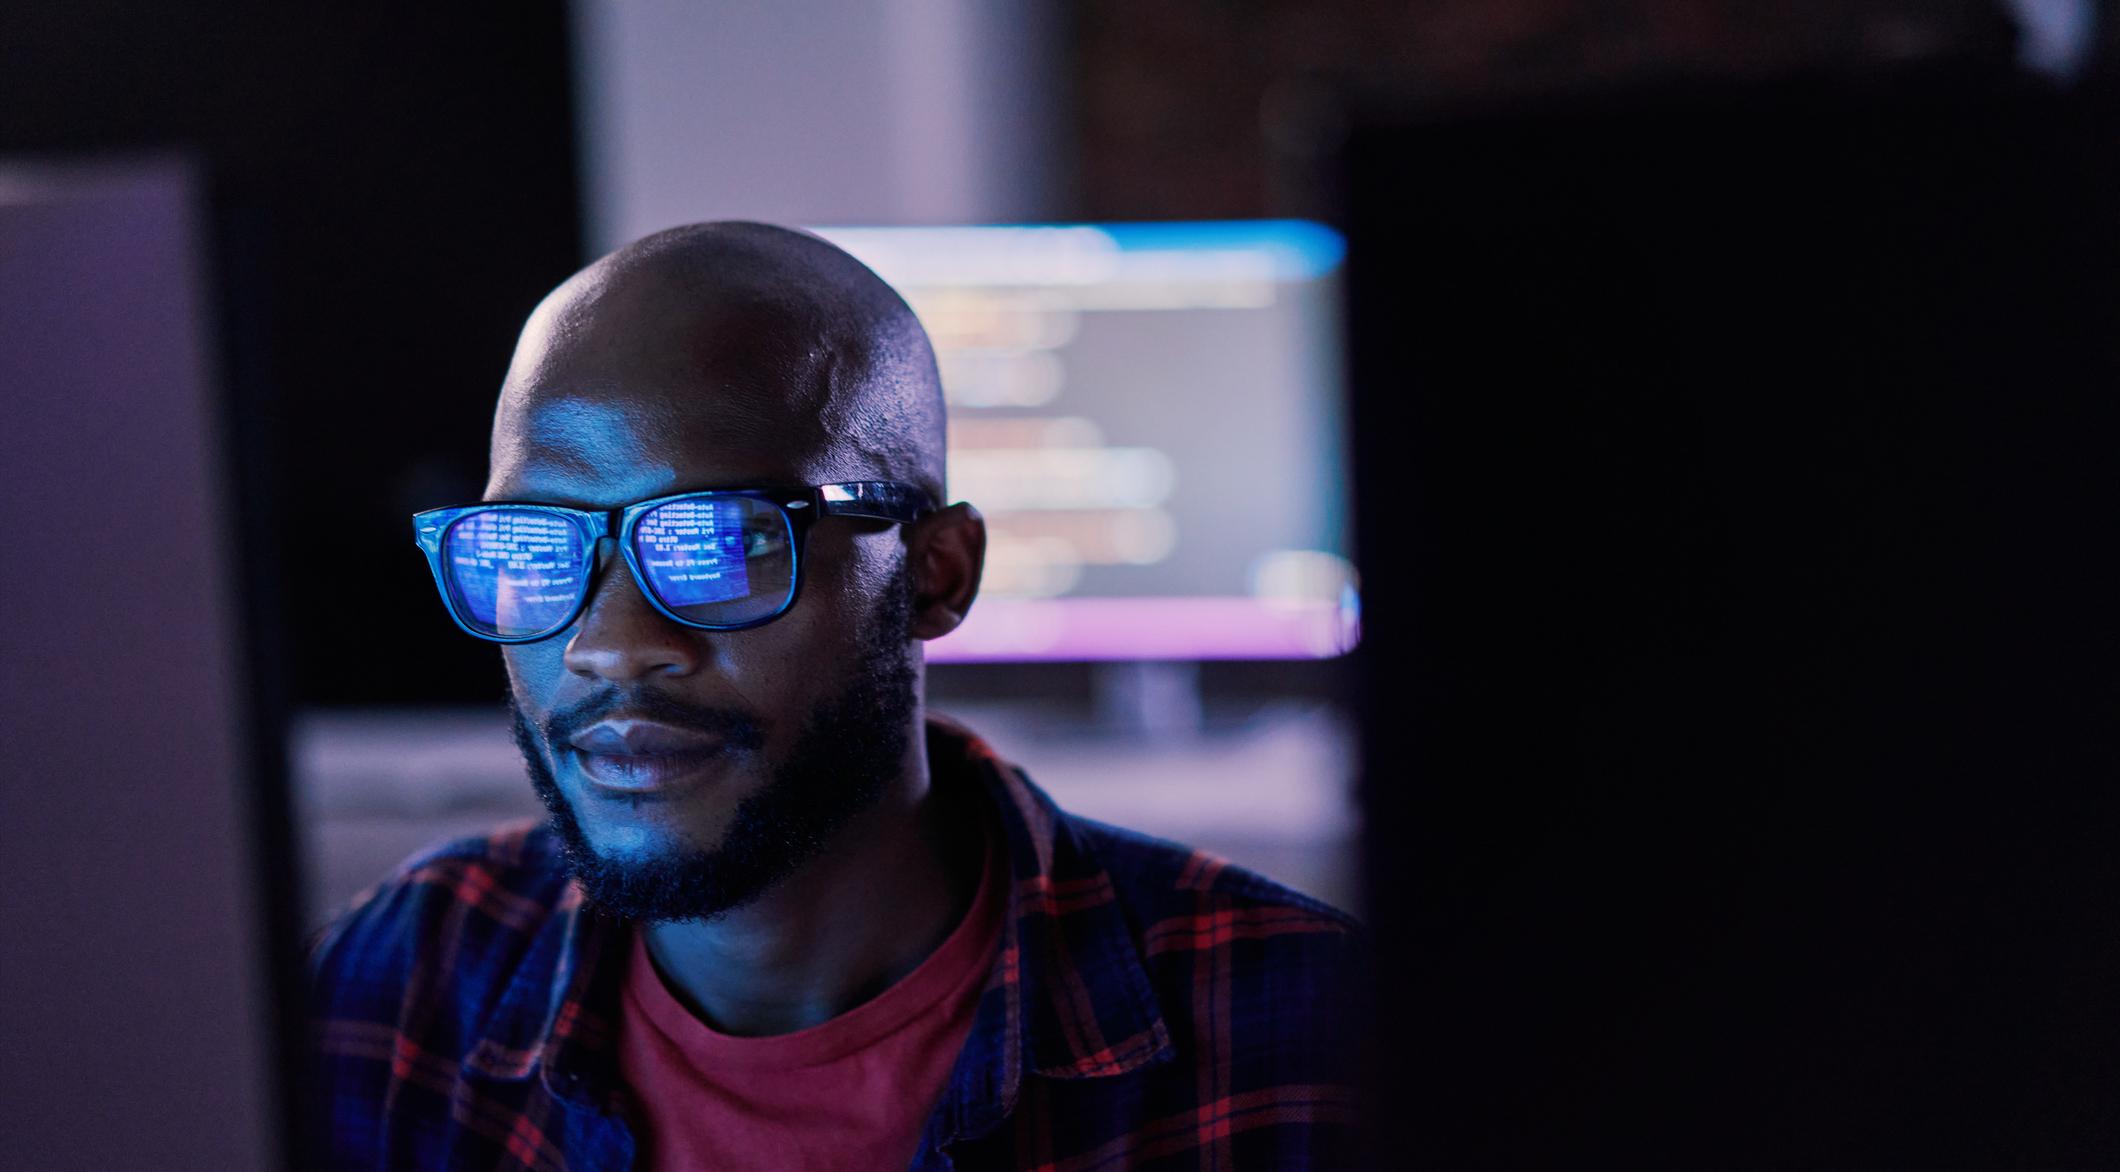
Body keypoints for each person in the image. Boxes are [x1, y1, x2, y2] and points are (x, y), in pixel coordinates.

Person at [308, 222, 1365, 1170]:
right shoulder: (399, 985)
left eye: (722, 541)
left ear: (934, 572)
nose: (610, 645)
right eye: (533, 544)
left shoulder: (1300, 1031)